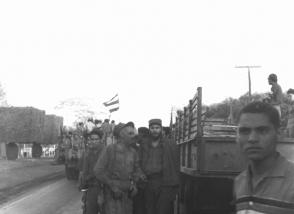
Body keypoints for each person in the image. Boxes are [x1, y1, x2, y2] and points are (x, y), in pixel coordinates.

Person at [234, 101, 294, 213]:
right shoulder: (239, 182)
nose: (252, 138)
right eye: (245, 131)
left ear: (279, 134)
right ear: (236, 136)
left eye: (262, 130)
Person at [94, 122, 145, 214]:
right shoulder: (110, 150)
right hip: (112, 195)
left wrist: (135, 184)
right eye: (130, 134)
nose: (134, 136)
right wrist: (112, 186)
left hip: (127, 195)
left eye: (133, 133)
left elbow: (136, 170)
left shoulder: (133, 152)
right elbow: (98, 171)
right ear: (122, 135)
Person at [139, 119, 180, 214]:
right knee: (149, 209)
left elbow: (175, 164)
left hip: (164, 182)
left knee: (163, 210)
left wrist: (175, 185)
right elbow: (138, 162)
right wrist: (140, 174)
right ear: (149, 129)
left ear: (161, 129)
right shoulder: (144, 144)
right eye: (152, 128)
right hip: (148, 182)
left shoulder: (170, 144)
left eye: (157, 128)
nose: (155, 130)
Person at [80, 128, 105, 214]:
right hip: (91, 188)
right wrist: (83, 191)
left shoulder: (106, 152)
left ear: (101, 140)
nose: (93, 141)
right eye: (92, 139)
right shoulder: (87, 153)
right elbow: (84, 172)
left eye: (96, 139)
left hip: (104, 189)